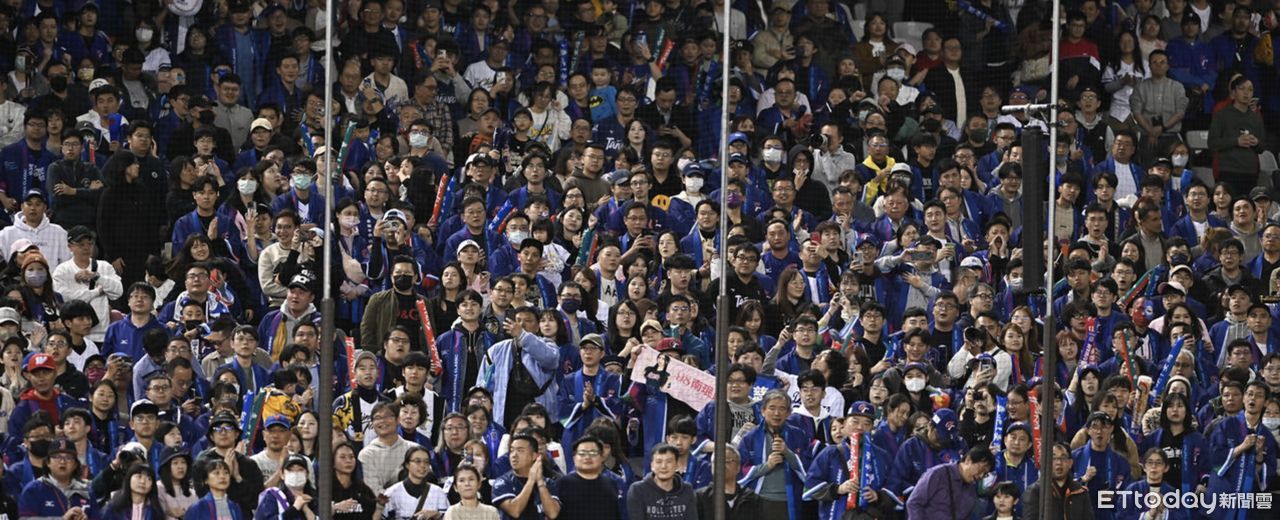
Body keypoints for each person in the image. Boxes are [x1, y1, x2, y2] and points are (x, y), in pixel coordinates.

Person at [904, 446, 996, 519]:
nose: (981, 476)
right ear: (968, 460)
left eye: (985, 474)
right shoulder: (938, 474)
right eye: (981, 469)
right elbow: (914, 503)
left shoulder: (972, 492)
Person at [493, 432, 561, 520]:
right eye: (512, 450)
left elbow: (553, 514)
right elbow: (515, 511)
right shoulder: (502, 482)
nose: (514, 455)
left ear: (534, 456)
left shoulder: (548, 483)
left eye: (520, 450)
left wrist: (540, 483)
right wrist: (531, 480)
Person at [555, 436, 625, 520]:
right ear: (574, 458)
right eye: (582, 453)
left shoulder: (611, 483)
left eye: (593, 453)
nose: (587, 457)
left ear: (601, 457)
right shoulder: (562, 483)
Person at [1022, 442, 1095, 520]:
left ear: (1070, 463)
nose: (1059, 462)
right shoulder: (1035, 491)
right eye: (1053, 458)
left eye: (1063, 458)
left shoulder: (1080, 492)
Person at [626, 443, 698, 520]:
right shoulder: (637, 490)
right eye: (659, 462)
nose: (664, 466)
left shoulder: (687, 489)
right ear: (652, 466)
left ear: (677, 465)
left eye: (669, 461)